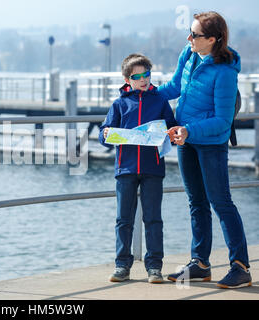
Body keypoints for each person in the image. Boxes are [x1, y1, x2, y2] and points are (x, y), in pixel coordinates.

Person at [159, 11, 252, 289]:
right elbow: (175, 86)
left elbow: (223, 120)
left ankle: (241, 267)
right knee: (196, 203)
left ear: (212, 39)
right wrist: (142, 92)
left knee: (221, 203)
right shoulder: (188, 56)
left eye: (195, 35)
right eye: (189, 32)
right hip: (185, 141)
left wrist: (189, 130)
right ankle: (200, 264)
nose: (189, 38)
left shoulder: (224, 72)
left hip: (210, 143)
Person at [99, 54, 177, 283]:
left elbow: (172, 130)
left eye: (147, 75)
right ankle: (122, 265)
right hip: (126, 169)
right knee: (124, 219)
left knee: (153, 219)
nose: (143, 79)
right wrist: (104, 134)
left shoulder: (160, 102)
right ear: (127, 79)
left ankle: (154, 267)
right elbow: (104, 135)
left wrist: (170, 133)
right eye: (138, 76)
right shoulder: (119, 104)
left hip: (153, 169)